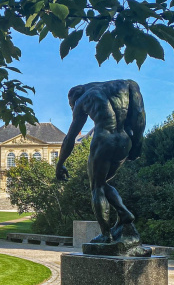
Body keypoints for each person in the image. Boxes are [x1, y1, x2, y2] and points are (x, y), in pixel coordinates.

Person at [56, 79, 146, 244]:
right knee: (102, 183)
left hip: (103, 140)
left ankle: (106, 234)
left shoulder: (84, 99)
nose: (73, 107)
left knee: (97, 187)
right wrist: (137, 144)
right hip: (125, 140)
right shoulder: (127, 85)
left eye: (71, 105)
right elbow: (139, 114)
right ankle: (124, 213)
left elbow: (70, 138)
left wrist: (60, 163)